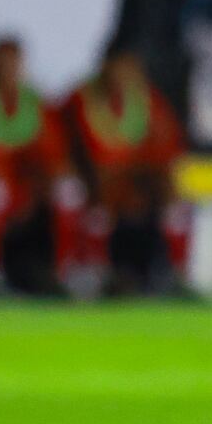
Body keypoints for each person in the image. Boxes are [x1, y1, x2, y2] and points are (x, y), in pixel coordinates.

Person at [0, 37, 83, 294]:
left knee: (69, 189)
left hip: (32, 185)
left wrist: (41, 183)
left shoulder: (35, 102)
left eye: (12, 63)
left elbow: (53, 151)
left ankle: (67, 271)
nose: (7, 69)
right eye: (1, 63)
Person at [63, 50, 190, 293]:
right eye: (117, 69)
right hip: (95, 185)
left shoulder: (150, 102)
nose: (121, 77)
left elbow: (167, 150)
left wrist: (148, 177)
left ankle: (178, 275)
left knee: (176, 198)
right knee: (75, 195)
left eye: (128, 70)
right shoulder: (80, 100)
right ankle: (89, 275)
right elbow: (66, 147)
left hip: (138, 186)